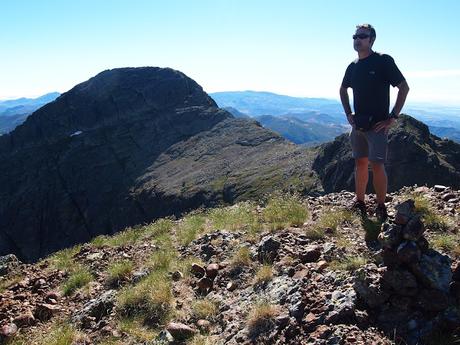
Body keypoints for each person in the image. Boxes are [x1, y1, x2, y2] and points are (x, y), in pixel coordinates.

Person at [339, 24, 409, 221]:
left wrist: (393, 117)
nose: (357, 39)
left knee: (377, 165)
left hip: (378, 125)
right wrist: (348, 114)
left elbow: (404, 87)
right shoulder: (353, 66)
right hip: (358, 125)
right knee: (360, 163)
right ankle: (359, 202)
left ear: (372, 40)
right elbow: (342, 90)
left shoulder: (383, 61)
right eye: (355, 36)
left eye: (362, 36)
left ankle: (380, 206)